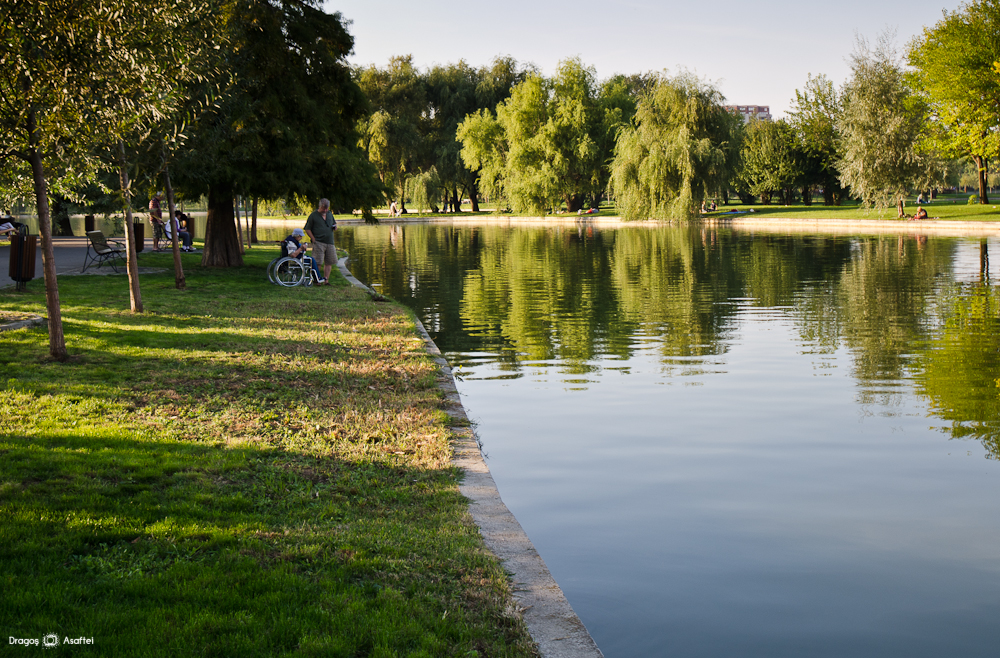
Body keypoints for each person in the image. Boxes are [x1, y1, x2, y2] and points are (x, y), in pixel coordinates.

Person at [304, 198, 337, 284]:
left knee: (329, 262)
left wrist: (335, 227)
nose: (325, 210)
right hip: (319, 242)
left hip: (330, 242)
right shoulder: (313, 215)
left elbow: (334, 223)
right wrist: (313, 238)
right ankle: (317, 280)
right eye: (323, 208)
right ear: (319, 206)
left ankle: (326, 280)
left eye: (326, 208)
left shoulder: (329, 214)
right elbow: (307, 228)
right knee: (318, 262)